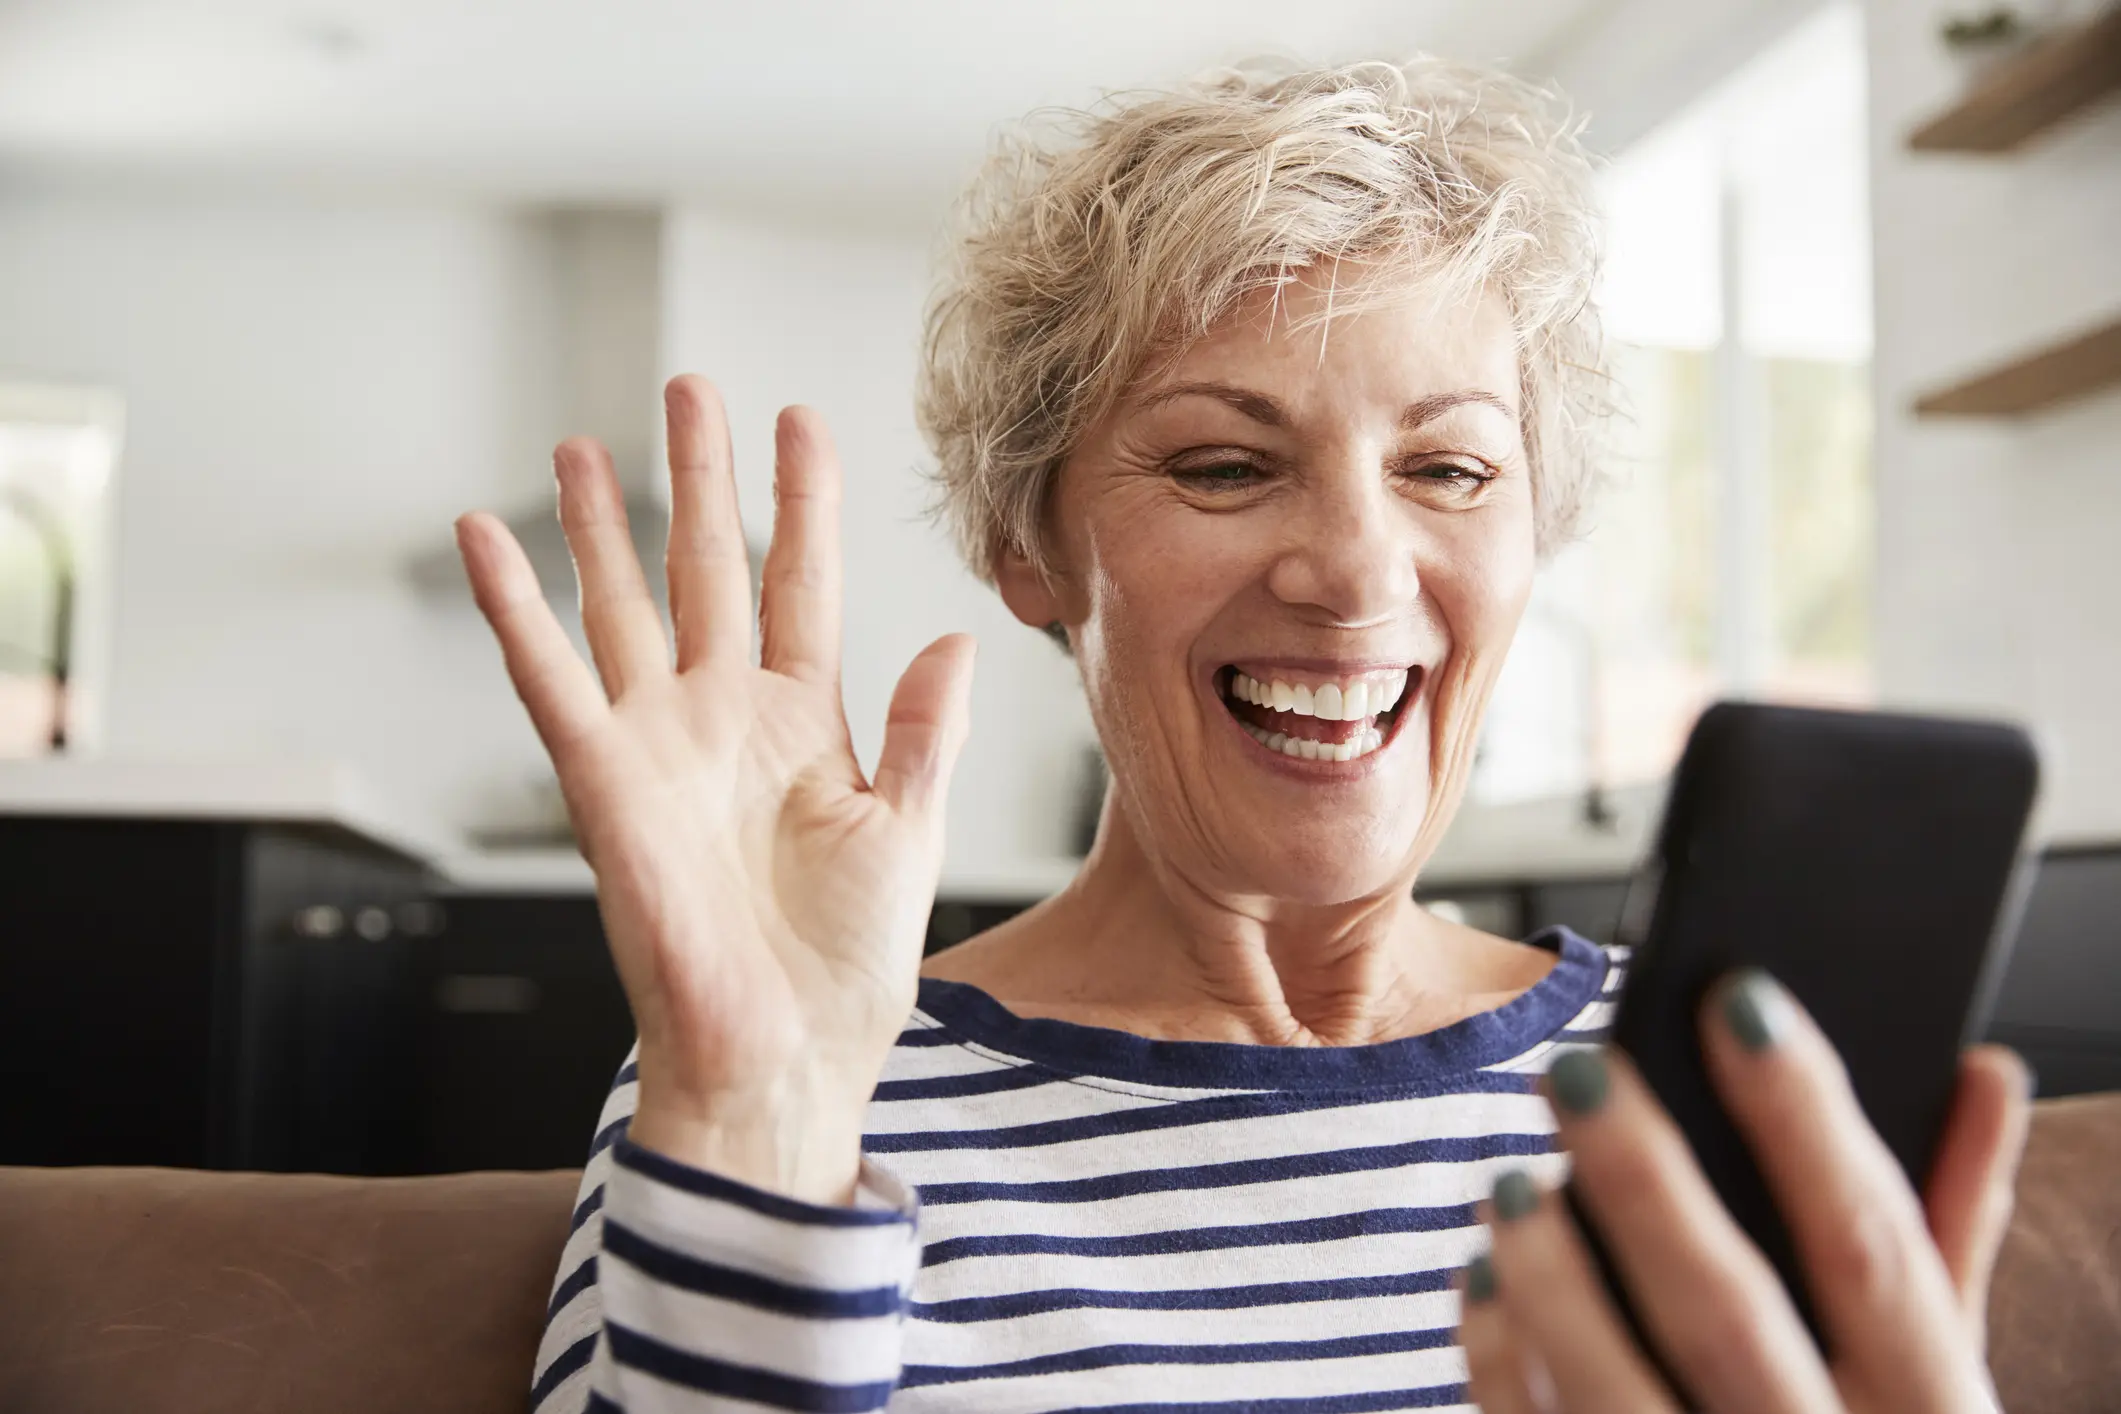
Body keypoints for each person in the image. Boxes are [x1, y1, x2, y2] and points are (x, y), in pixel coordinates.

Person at [457, 58, 2031, 1414]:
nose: (1353, 572)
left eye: (1452, 470)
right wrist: (753, 1125)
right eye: (1220, 465)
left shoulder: (1699, 1091)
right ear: (1030, 547)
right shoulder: (799, 1081)